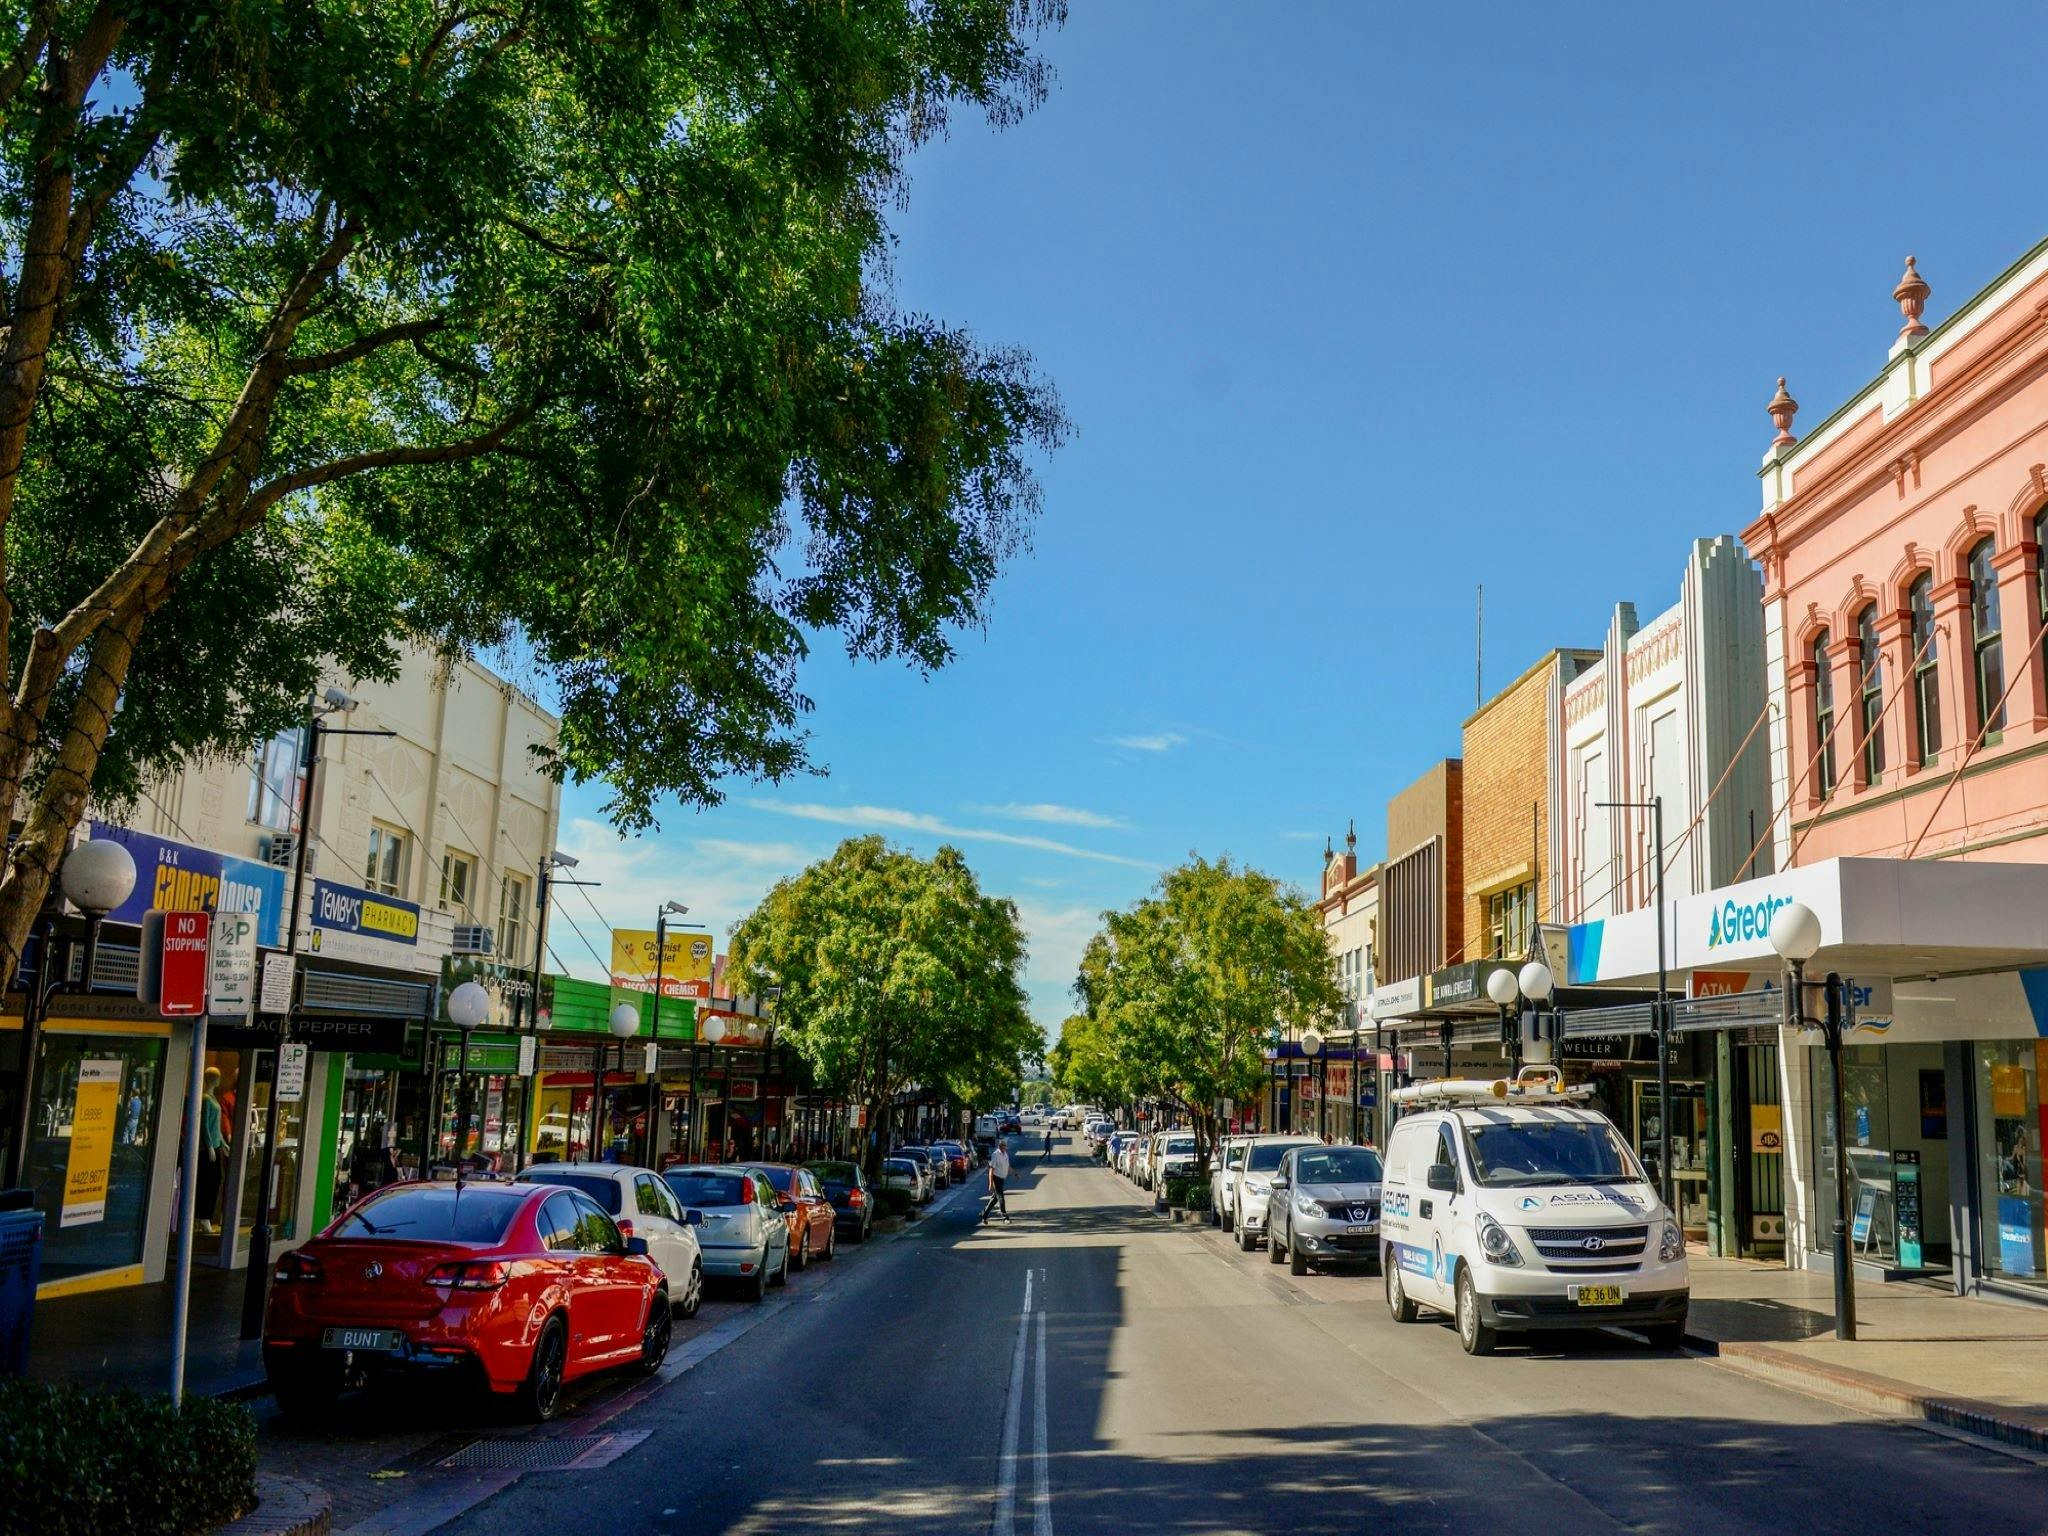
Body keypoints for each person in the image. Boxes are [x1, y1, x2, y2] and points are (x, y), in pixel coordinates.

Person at [982, 1136, 1013, 1224]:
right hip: (996, 1178)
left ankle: (984, 1215)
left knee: (995, 1199)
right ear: (1000, 1146)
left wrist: (1015, 1173)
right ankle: (1005, 1217)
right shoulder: (995, 1155)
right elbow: (991, 1169)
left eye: (1006, 1146)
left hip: (1002, 1178)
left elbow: (1007, 1166)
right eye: (1004, 1146)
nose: (1005, 1148)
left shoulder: (1005, 1154)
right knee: (1001, 1197)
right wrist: (990, 1184)